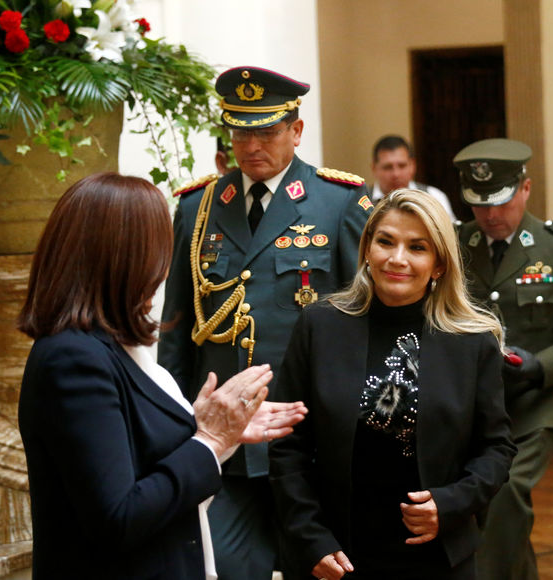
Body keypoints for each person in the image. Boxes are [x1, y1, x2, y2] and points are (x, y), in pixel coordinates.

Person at [17, 172, 307, 580]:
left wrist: (223, 432)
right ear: (122, 259)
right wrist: (209, 438)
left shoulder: (110, 346)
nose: (162, 270)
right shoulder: (73, 359)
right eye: (157, 252)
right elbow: (121, 516)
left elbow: (145, 459)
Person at [158, 66, 372, 580]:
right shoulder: (198, 207)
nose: (251, 145)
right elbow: (177, 328)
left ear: (296, 131)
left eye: (266, 131)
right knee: (230, 568)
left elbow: (365, 321)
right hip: (227, 440)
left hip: (309, 433)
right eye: (240, 131)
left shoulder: (339, 201)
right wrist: (178, 423)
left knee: (322, 567)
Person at [269, 189, 516, 580]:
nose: (397, 258)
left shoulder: (473, 340)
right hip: (336, 556)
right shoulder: (319, 326)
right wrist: (309, 537)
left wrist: (450, 504)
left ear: (438, 264)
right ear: (367, 248)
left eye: (417, 247)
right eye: (385, 241)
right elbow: (287, 445)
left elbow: (496, 448)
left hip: (438, 557)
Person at [452, 138, 553, 580]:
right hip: (472, 404)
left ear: (525, 189)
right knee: (488, 505)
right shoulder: (453, 245)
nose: (490, 214)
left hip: (538, 402)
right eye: (478, 204)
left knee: (506, 491)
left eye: (502, 202)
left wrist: (541, 366)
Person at [371, 134, 456, 220]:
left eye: (402, 166)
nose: (396, 174)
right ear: (374, 168)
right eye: (388, 167)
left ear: (413, 165)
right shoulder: (361, 202)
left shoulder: (434, 197)